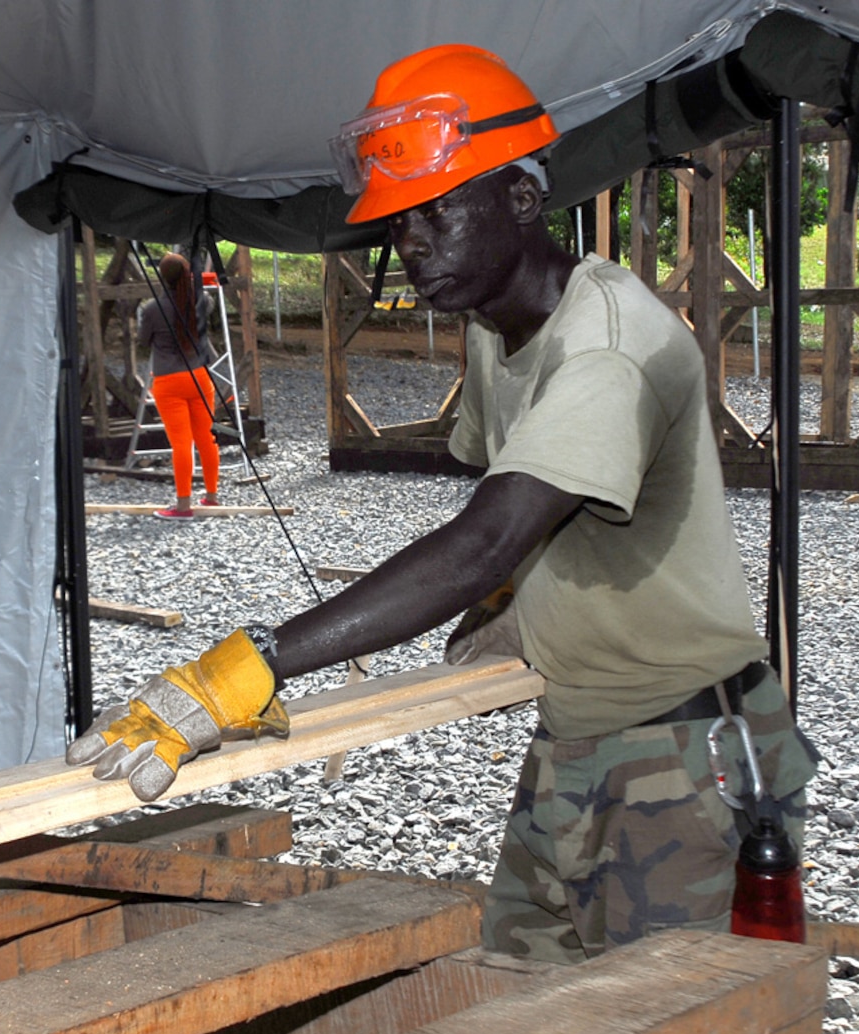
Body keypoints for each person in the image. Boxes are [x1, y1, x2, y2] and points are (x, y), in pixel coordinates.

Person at [67, 44, 817, 965]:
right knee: (522, 995)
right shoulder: (496, 332)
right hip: (575, 732)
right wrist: (510, 608)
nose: (411, 243)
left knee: (667, 1031)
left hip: (677, 752)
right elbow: (526, 515)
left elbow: (487, 539)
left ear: (523, 199)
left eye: (437, 210)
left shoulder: (606, 348)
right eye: (397, 221)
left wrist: (249, 668)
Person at [138, 253, 220, 519]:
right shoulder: (201, 301)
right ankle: (211, 496)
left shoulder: (151, 309)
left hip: (168, 380)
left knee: (181, 443)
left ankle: (183, 506)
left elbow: (143, 343)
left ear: (162, 277)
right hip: (199, 376)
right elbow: (205, 302)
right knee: (206, 437)